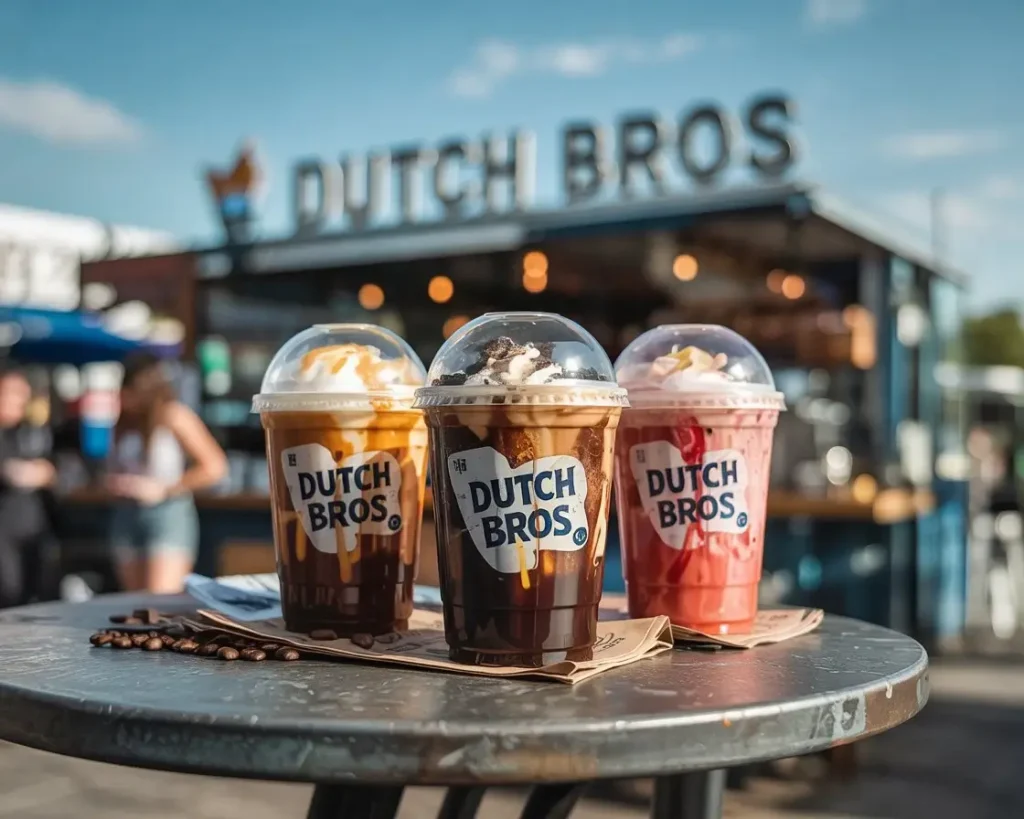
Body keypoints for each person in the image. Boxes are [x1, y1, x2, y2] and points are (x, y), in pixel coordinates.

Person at [106, 353, 227, 593]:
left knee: (160, 602)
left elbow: (215, 467)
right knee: (133, 603)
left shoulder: (174, 415)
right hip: (127, 512)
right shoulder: (124, 422)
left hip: (168, 513)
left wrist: (165, 488)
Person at [0, 364, 59, 608]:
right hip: (4, 531)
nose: (20, 402)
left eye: (23, 395)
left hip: (33, 527)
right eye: (12, 393)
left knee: (33, 595)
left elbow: (58, 468)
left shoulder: (30, 431)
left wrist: (46, 473)